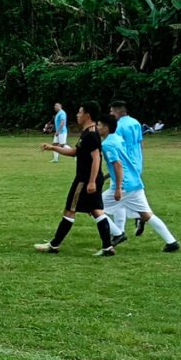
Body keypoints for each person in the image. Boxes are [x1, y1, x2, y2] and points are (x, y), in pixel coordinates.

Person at [34, 101, 115, 256]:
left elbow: (97, 158)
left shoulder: (91, 134)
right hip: (91, 178)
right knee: (97, 211)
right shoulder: (88, 133)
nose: (77, 115)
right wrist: (53, 147)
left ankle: (54, 245)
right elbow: (74, 152)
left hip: (85, 180)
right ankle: (107, 247)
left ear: (87, 115)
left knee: (70, 210)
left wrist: (91, 181)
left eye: (80, 112)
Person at [97, 114, 180, 253]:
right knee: (146, 215)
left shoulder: (107, 144)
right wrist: (107, 177)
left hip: (124, 185)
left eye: (99, 125)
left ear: (106, 128)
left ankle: (118, 233)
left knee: (94, 208)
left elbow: (117, 165)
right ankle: (171, 242)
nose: (97, 128)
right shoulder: (118, 139)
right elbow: (121, 162)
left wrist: (117, 188)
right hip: (134, 182)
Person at [110, 101, 145, 235]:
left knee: (118, 196)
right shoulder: (135, 122)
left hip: (125, 164)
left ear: (118, 112)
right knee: (130, 195)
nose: (111, 114)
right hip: (137, 162)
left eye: (112, 111)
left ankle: (119, 231)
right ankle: (137, 216)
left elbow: (118, 147)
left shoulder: (118, 126)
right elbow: (140, 142)